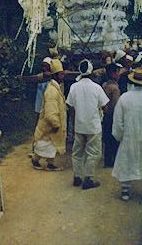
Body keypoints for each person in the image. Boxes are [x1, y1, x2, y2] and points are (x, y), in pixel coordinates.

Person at [66, 59, 109, 190]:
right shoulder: (97, 88)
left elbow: (70, 107)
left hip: (79, 125)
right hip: (93, 126)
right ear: (91, 72)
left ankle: (77, 177)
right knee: (93, 153)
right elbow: (105, 106)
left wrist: (73, 123)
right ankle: (88, 178)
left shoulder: (74, 87)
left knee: (77, 152)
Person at [111, 67, 142, 201]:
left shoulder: (124, 98)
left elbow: (118, 121)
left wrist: (120, 136)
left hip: (129, 137)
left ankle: (125, 191)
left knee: (127, 163)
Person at [31, 59, 67, 171]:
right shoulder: (52, 90)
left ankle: (47, 162)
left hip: (52, 124)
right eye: (61, 74)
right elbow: (50, 111)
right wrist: (55, 123)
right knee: (45, 143)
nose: (63, 76)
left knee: (50, 144)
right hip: (50, 124)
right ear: (55, 75)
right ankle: (37, 160)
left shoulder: (56, 88)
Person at [102, 63, 121, 167]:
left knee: (107, 141)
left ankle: (107, 161)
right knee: (113, 141)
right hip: (112, 118)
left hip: (104, 117)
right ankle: (112, 162)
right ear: (113, 73)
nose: (119, 74)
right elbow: (115, 107)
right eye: (118, 72)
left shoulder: (104, 85)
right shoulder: (115, 89)